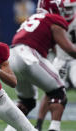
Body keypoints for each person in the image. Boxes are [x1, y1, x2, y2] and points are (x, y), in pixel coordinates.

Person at [5, 0, 76, 131]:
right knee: (59, 92)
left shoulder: (33, 18)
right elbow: (69, 49)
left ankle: (10, 129)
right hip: (28, 55)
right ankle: (54, 128)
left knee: (27, 102)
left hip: (12, 56)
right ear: (55, 8)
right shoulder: (53, 19)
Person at [35, 0, 76, 130]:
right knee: (50, 91)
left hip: (75, 60)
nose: (69, 11)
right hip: (60, 59)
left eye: (72, 8)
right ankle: (39, 124)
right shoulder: (55, 19)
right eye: (66, 8)